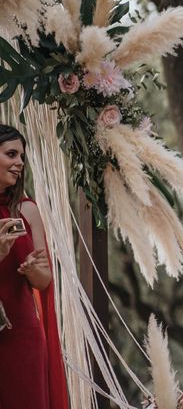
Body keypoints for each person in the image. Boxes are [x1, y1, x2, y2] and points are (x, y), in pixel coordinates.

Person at [0, 124, 68, 409]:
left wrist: (33, 269)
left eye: (22, 156)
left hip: (21, 334)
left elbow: (44, 281)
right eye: (11, 154)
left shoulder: (26, 210)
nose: (19, 163)